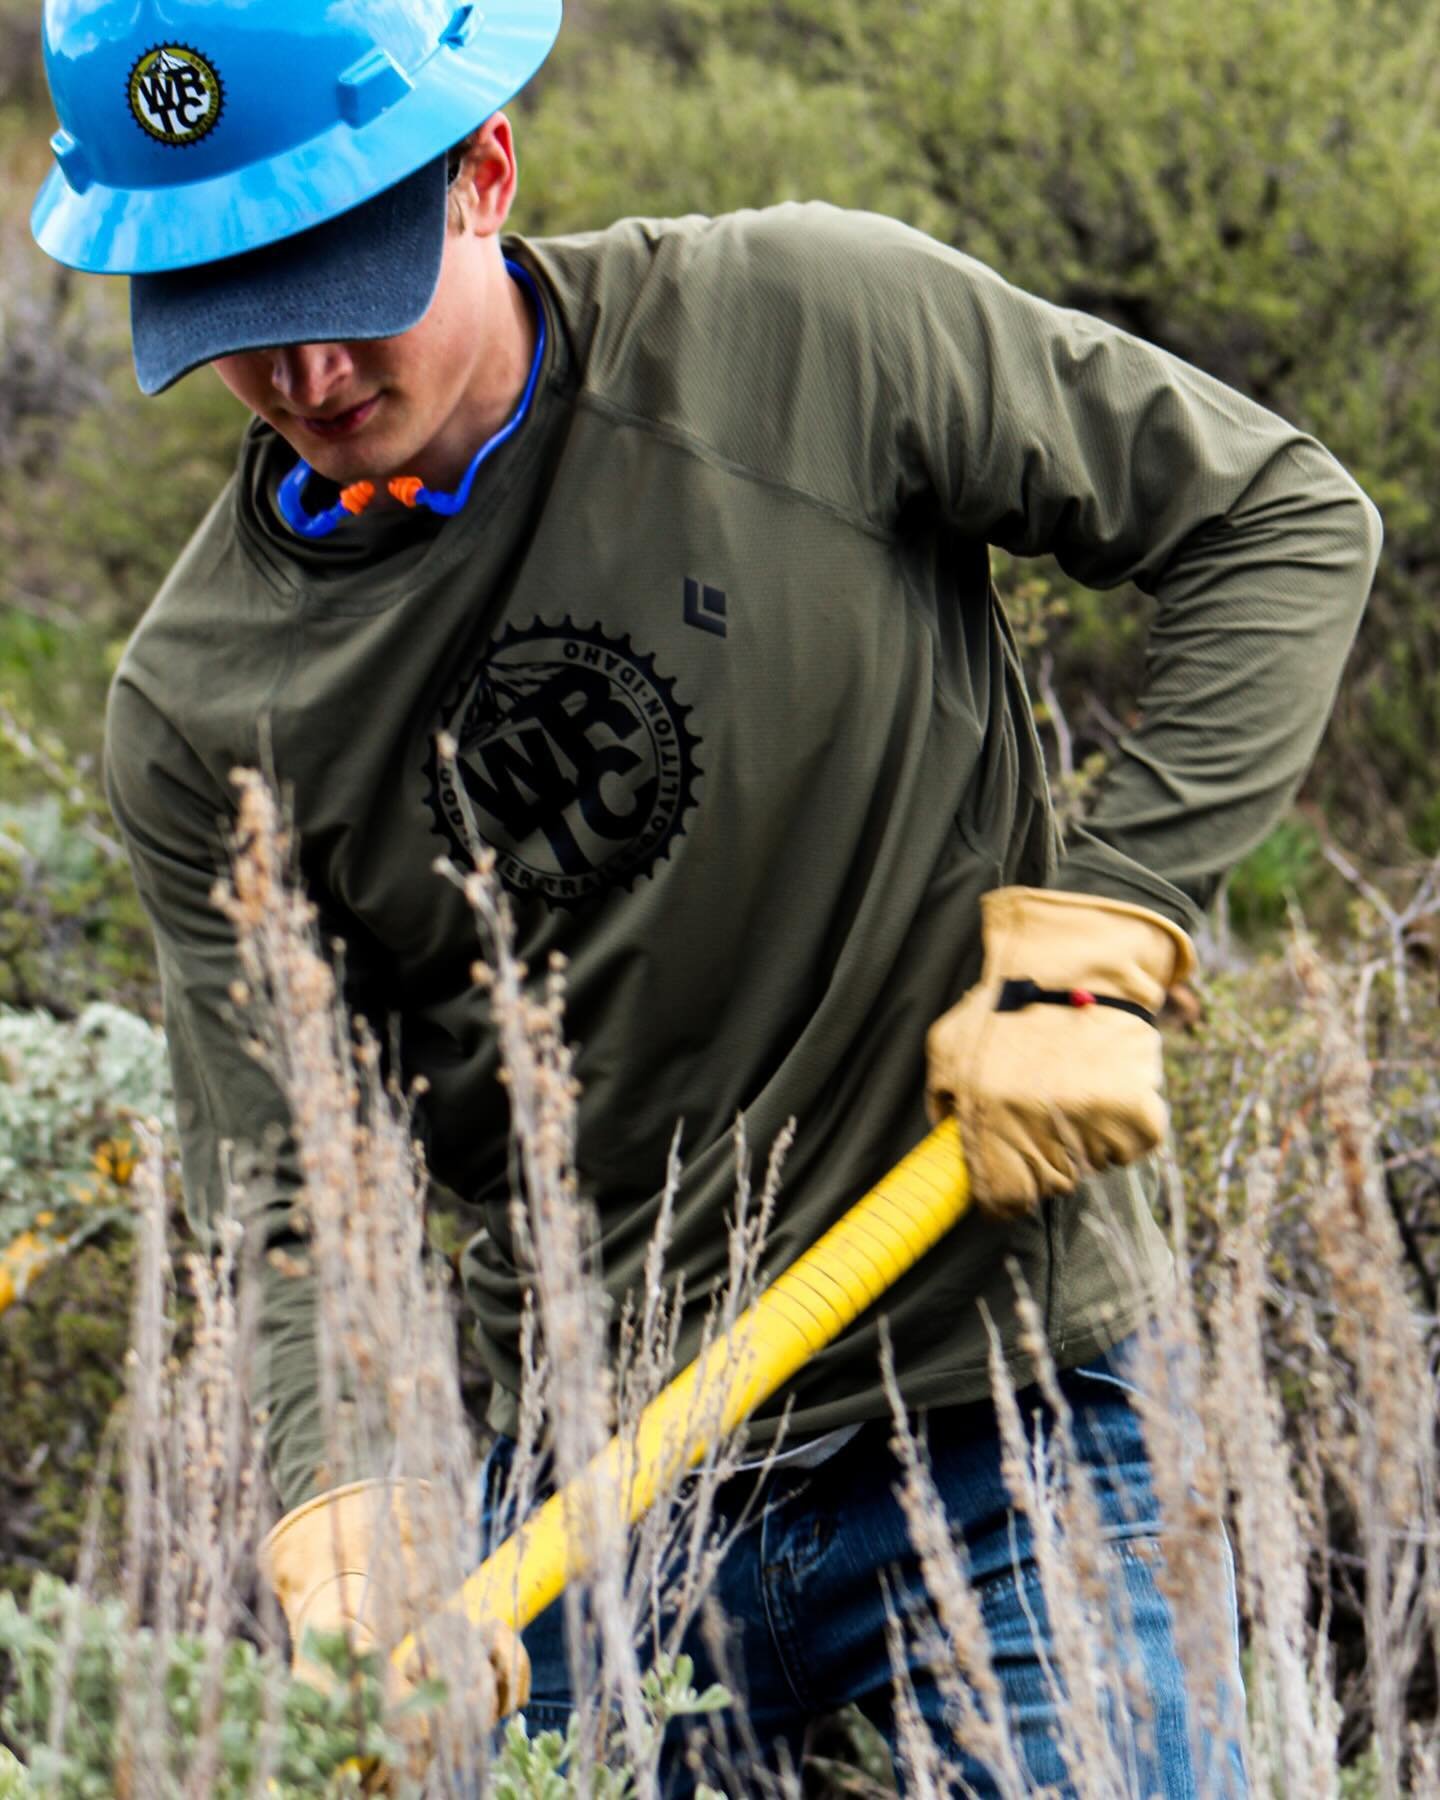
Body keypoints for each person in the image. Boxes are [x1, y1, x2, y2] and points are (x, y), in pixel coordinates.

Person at [32, 0, 1381, 1791]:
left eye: (332, 279)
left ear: (482, 174)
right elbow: (284, 1170)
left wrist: (1106, 940)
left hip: (1016, 1397)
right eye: (233, 315)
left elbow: (1278, 522)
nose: (304, 375)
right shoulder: (201, 708)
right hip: (597, 1501)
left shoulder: (807, 329)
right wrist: (348, 1501)